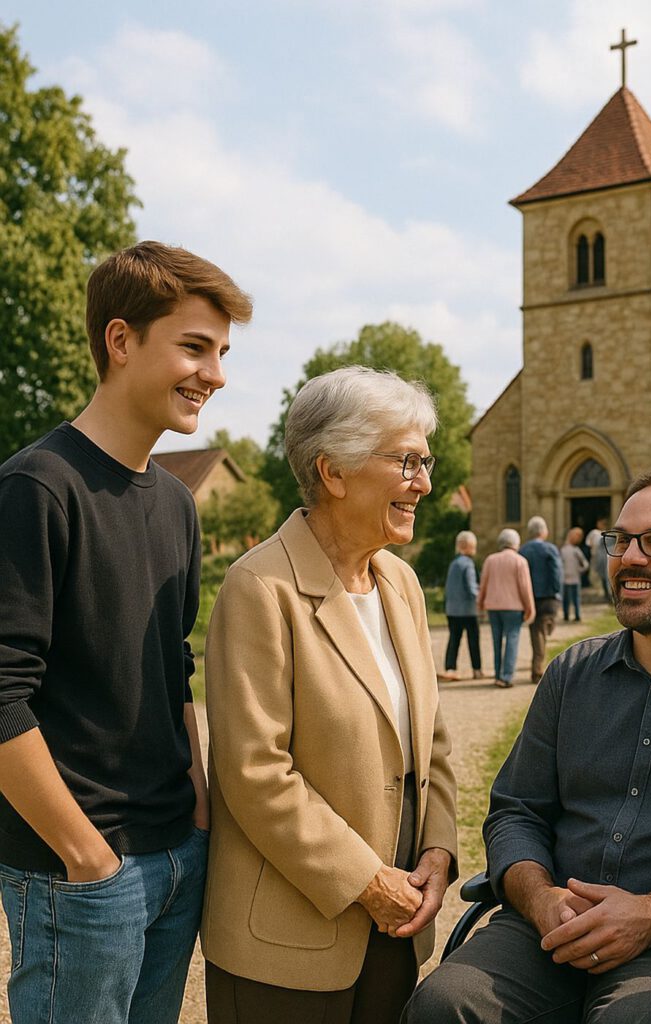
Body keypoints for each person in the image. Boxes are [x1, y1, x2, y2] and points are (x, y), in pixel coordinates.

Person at [405, 468, 651, 1023]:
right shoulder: (572, 674)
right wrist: (541, 900)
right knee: (441, 1006)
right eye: (621, 540)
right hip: (546, 928)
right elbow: (517, 809)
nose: (631, 556)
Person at [0, 242, 251, 1024]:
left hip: (177, 853)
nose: (215, 373)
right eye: (194, 346)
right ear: (120, 340)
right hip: (79, 875)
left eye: (222, 353)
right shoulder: (37, 487)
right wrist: (86, 856)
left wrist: (200, 809)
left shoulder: (177, 503)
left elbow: (176, 670)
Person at [201, 367, 458, 1024]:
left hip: (395, 929)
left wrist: (437, 852)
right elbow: (256, 773)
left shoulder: (400, 583)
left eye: (424, 462)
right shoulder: (259, 588)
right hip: (287, 946)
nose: (424, 483)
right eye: (406, 461)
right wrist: (371, 885)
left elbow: (430, 738)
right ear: (334, 473)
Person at [477, 529, 536, 688]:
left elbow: (483, 583)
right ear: (516, 543)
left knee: (496, 641)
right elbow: (525, 588)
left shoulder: (490, 559)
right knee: (512, 640)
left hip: (493, 606)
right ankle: (506, 676)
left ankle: (497, 675)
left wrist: (480, 603)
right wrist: (530, 608)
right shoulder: (520, 561)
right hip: (513, 607)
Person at [519, 515, 563, 683]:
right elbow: (556, 572)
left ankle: (538, 665)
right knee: (543, 629)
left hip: (530, 597)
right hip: (549, 596)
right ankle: (537, 670)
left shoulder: (523, 550)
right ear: (543, 532)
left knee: (537, 631)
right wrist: (556, 590)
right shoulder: (550, 549)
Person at [439, 530, 484, 681]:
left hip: (452, 610)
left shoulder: (453, 563)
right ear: (469, 545)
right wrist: (482, 600)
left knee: (454, 640)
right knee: (473, 640)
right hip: (468, 610)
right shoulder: (468, 564)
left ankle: (450, 668)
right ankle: (477, 670)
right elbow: (472, 588)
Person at [560, 526, 589, 622]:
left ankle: (577, 615)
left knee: (575, 599)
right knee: (566, 599)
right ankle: (566, 615)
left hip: (575, 579)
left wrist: (579, 570)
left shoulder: (576, 551)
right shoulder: (563, 550)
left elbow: (585, 564)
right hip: (565, 579)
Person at [587, 516, 612, 602]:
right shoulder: (594, 533)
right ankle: (600, 592)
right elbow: (589, 544)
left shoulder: (607, 534)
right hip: (596, 557)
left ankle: (606, 595)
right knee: (595, 575)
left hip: (605, 557)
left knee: (606, 576)